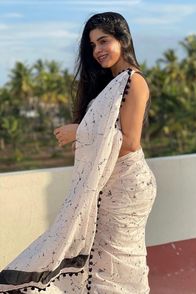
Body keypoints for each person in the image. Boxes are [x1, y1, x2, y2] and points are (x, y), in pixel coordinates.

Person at [0, 12, 157, 294]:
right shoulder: (111, 84)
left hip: (126, 188)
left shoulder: (134, 81)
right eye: (93, 45)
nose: (98, 50)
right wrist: (85, 136)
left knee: (117, 267)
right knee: (100, 265)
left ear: (123, 39)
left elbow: (131, 142)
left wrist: (81, 132)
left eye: (104, 41)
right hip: (108, 185)